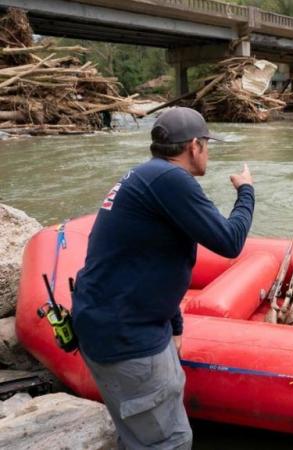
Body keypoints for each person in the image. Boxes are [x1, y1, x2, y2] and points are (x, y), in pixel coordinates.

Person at [71, 107, 255, 449]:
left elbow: (149, 260)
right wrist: (246, 192)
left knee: (142, 434)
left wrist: (176, 325)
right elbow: (230, 242)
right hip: (126, 335)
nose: (208, 153)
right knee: (170, 440)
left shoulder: (147, 177)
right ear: (194, 147)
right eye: (207, 146)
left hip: (114, 321)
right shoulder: (172, 181)